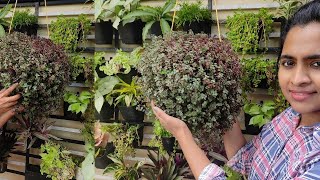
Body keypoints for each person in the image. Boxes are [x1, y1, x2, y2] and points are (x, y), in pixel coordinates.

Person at [151, 0, 320, 179]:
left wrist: (182, 134)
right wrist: (221, 105)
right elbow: (246, 161)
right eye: (289, 63)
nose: (297, 79)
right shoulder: (288, 118)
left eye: (317, 64)